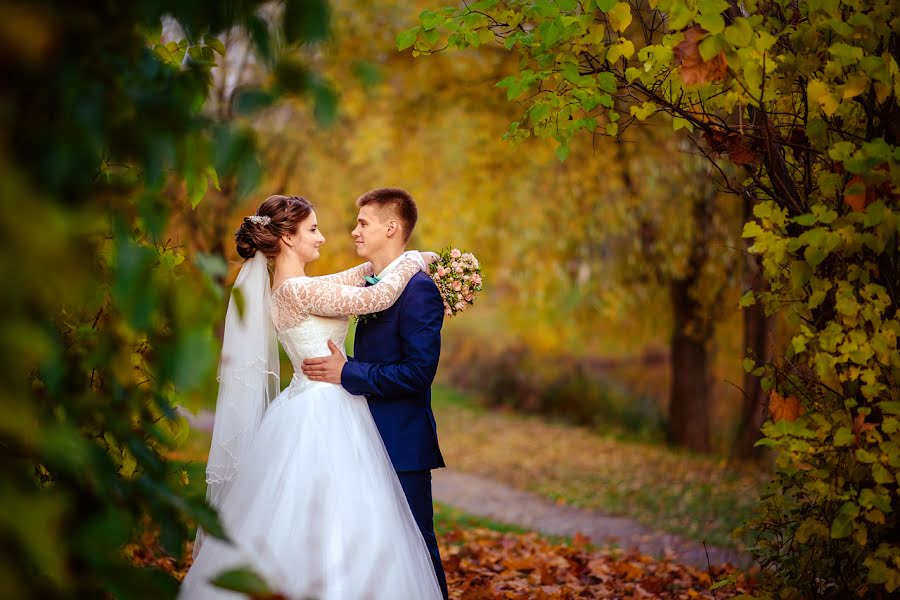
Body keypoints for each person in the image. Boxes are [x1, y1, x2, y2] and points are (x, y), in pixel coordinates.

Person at [179, 194, 443, 600]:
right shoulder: (296, 292)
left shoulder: (295, 287)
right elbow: (375, 297)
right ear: (286, 238)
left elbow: (359, 277)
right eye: (313, 230)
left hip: (319, 401)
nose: (322, 238)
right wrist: (414, 260)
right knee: (330, 518)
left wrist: (407, 257)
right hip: (324, 408)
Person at [301, 188, 449, 600]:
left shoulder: (419, 290)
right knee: (373, 553)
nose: (354, 231)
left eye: (363, 223)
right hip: (361, 437)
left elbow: (418, 373)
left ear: (391, 227)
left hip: (402, 443)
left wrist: (349, 371)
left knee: (417, 550)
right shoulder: (373, 285)